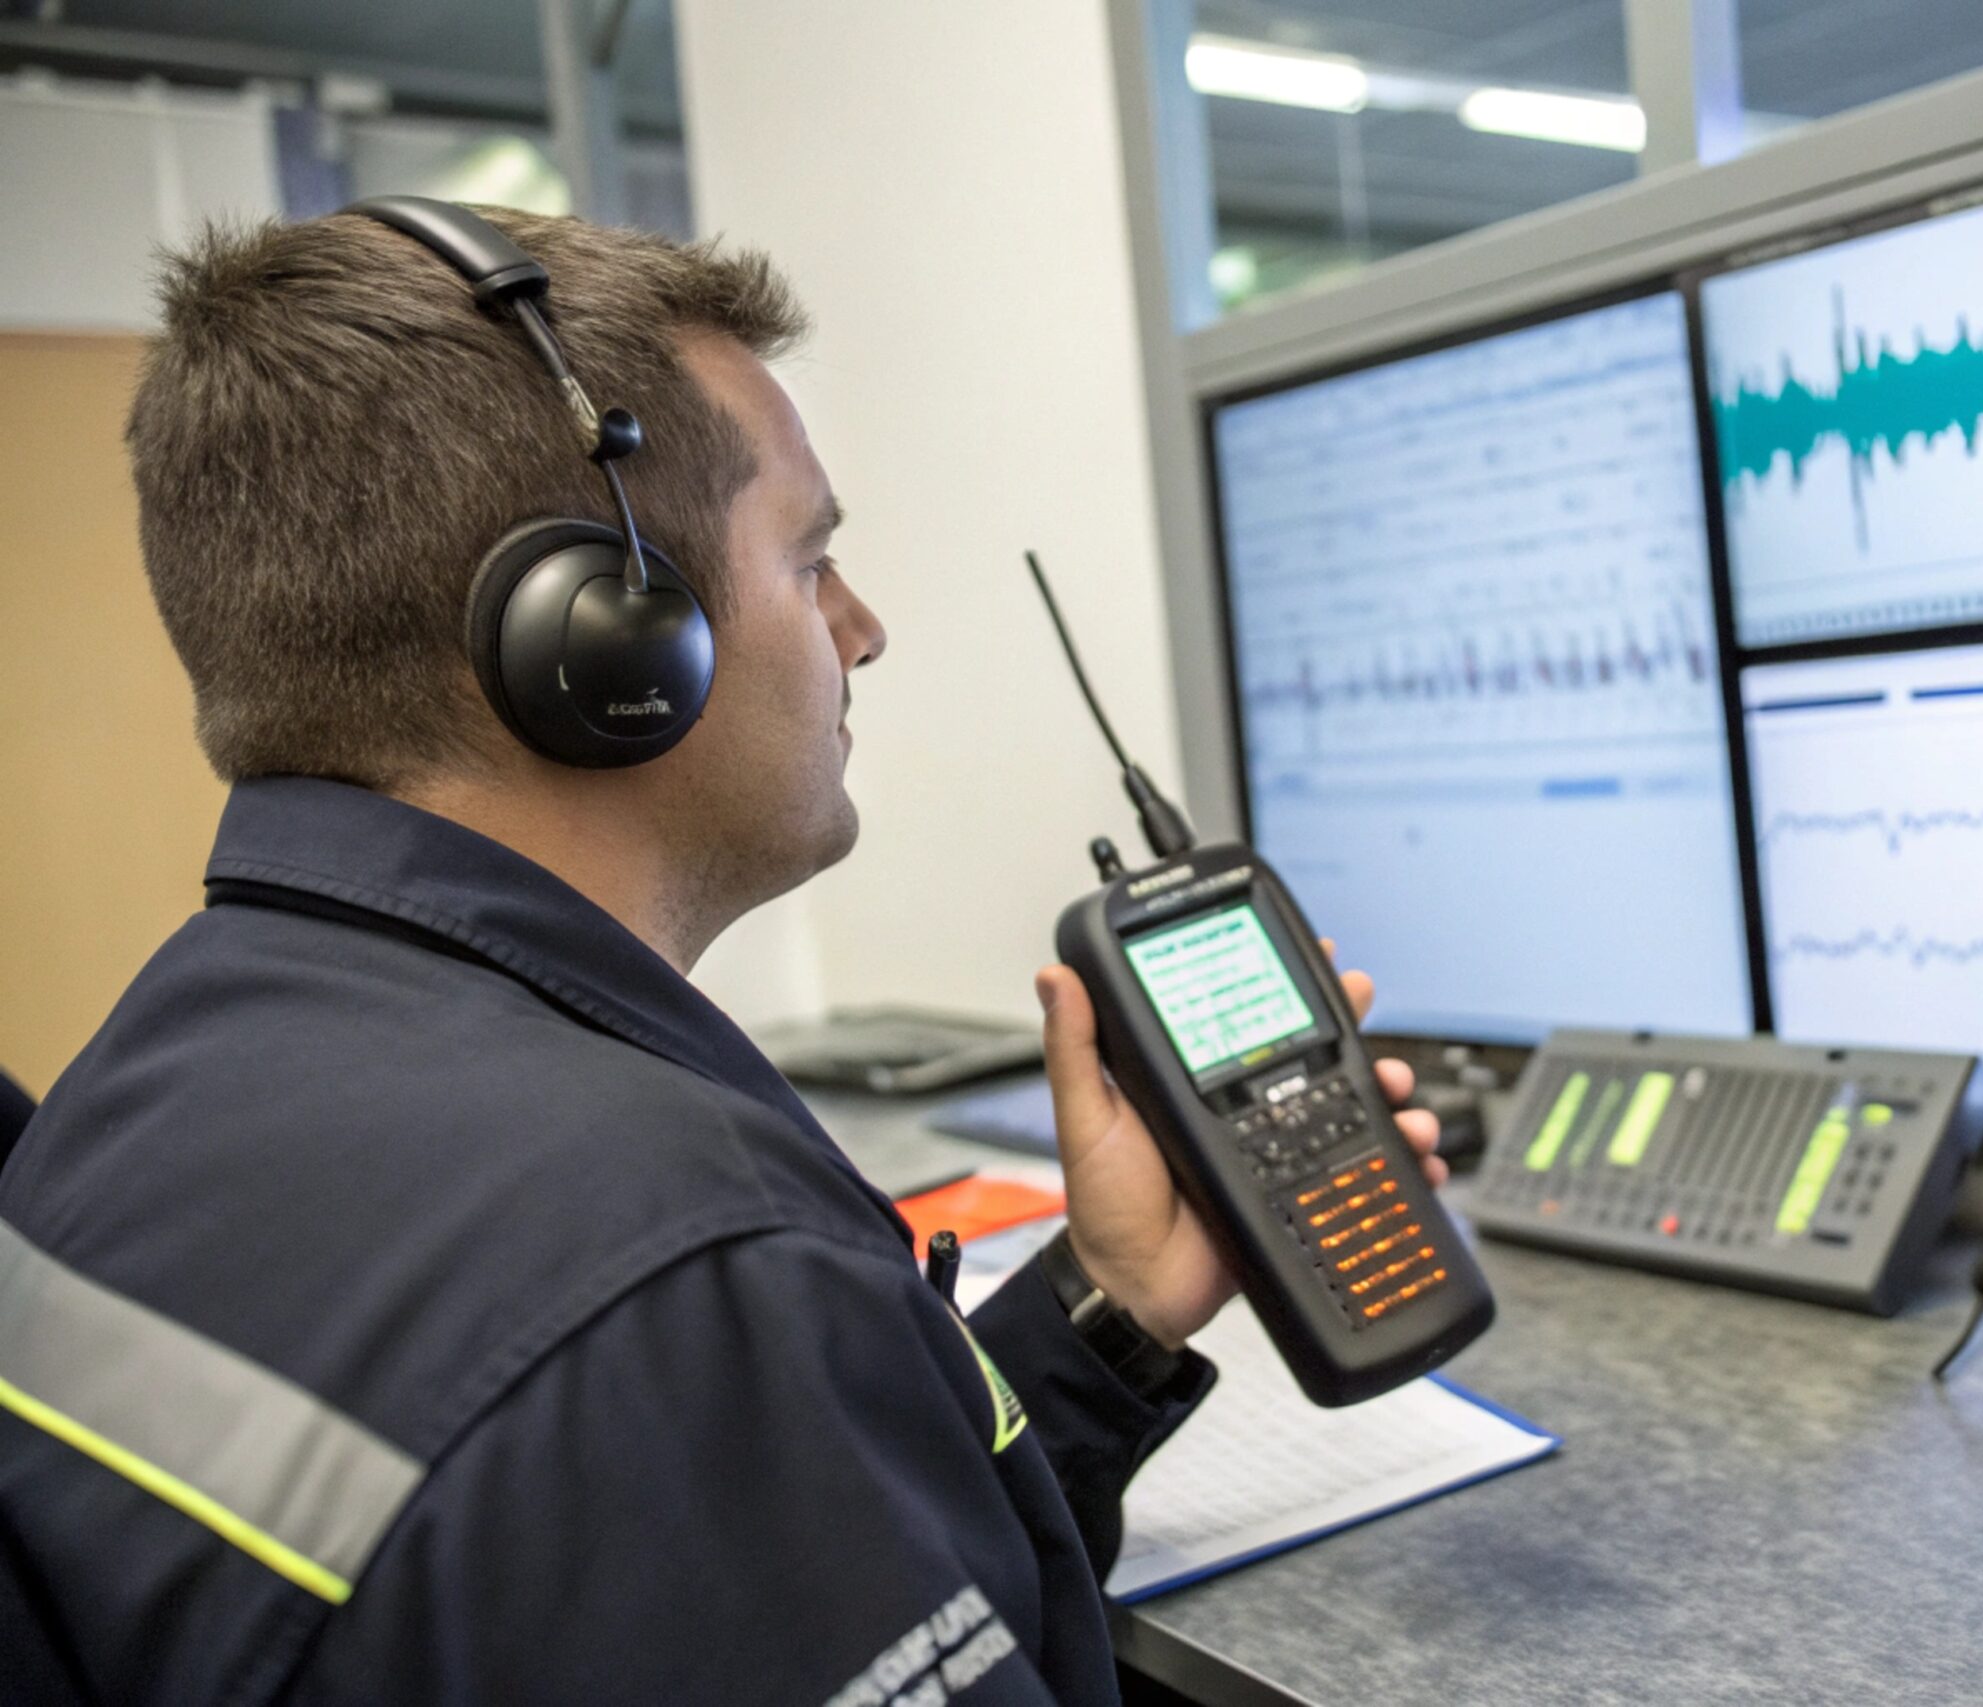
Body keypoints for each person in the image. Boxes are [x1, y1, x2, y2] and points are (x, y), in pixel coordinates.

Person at [0, 203, 1442, 1705]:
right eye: (809, 558)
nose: (861, 629)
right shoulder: (678, 1282)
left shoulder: (142, 1082)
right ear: (607, 644)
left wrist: (1112, 1301)